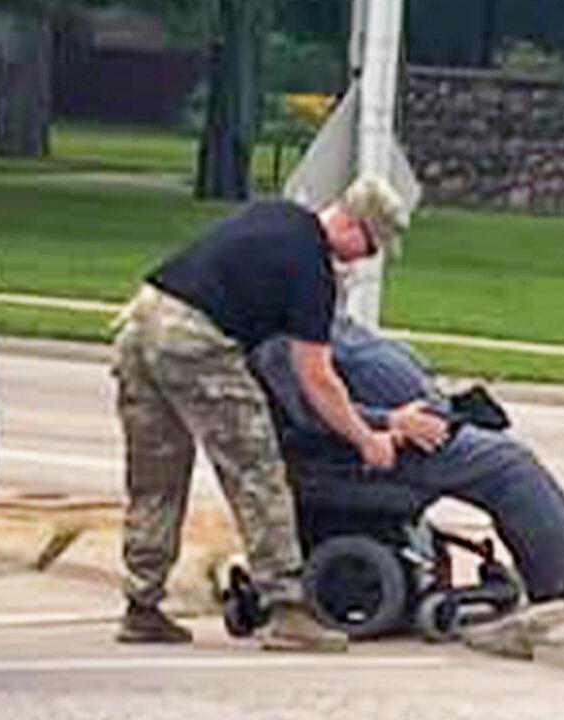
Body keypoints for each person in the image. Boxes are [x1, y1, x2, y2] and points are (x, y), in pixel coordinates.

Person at [112, 175, 410, 651]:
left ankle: (141, 605)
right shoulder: (311, 267)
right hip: (196, 341)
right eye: (370, 246)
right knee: (258, 473)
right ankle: (287, 609)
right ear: (353, 225)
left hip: (142, 321)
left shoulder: (277, 215)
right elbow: (317, 377)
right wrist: (365, 438)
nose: (366, 258)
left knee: (156, 476)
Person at [249, 317, 564, 602]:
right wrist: (387, 422)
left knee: (497, 448)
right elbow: (312, 413)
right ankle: (563, 574)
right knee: (507, 464)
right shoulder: (279, 340)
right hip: (364, 452)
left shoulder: (316, 318)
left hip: (414, 430)